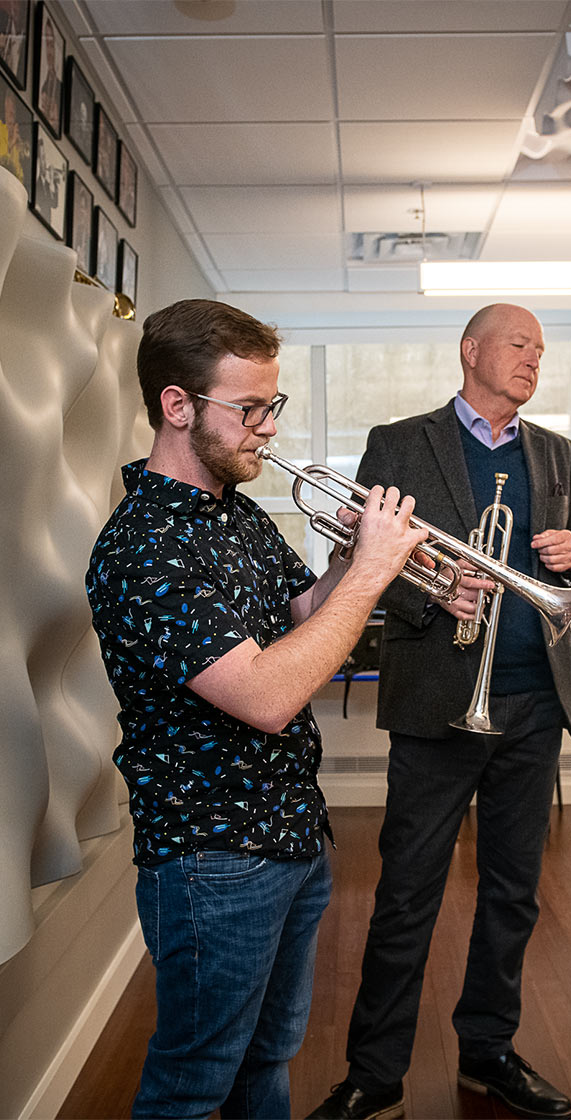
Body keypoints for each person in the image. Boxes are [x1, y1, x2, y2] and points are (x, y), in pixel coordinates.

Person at [85, 298, 428, 1120]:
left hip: (289, 834)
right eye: (249, 408)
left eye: (272, 406)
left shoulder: (233, 518)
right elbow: (270, 696)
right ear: (178, 406)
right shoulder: (144, 548)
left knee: (266, 1061)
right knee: (193, 1085)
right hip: (213, 856)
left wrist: (351, 558)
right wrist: (375, 576)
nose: (268, 428)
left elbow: (300, 620)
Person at [309, 303, 571, 1120]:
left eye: (541, 351)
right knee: (407, 892)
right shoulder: (400, 441)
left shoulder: (557, 452)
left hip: (533, 702)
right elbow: (360, 554)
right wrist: (434, 590)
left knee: (513, 892)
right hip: (439, 702)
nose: (533, 360)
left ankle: (490, 1051)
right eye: (519, 344)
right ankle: (376, 1072)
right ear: (471, 350)